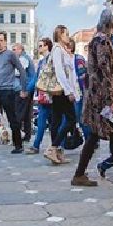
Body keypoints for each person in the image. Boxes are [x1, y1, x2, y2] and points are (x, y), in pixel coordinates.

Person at [74, 9, 113, 187]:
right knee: (110, 135)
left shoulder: (98, 40)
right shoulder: (103, 42)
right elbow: (106, 73)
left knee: (104, 136)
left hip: (98, 97)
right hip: (103, 98)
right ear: (110, 24)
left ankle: (81, 174)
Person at [44, 25, 81, 165]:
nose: (68, 36)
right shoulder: (57, 50)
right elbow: (60, 72)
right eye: (66, 34)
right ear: (60, 35)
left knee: (57, 120)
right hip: (61, 91)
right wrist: (69, 91)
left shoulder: (64, 50)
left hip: (63, 91)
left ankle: (57, 153)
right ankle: (53, 147)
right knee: (71, 119)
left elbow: (71, 74)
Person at [27, 38, 52, 154]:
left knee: (55, 122)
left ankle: (57, 147)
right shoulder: (42, 62)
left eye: (41, 45)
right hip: (43, 95)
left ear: (47, 46)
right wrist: (28, 89)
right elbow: (36, 78)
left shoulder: (51, 59)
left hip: (53, 95)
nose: (39, 48)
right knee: (41, 120)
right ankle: (36, 145)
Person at [13, 43, 36, 142]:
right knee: (26, 114)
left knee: (19, 113)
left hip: (23, 89)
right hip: (28, 88)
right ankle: (27, 135)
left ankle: (16, 137)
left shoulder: (23, 59)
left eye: (14, 49)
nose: (13, 52)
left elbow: (19, 73)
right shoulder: (26, 58)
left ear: (20, 50)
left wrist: (24, 89)